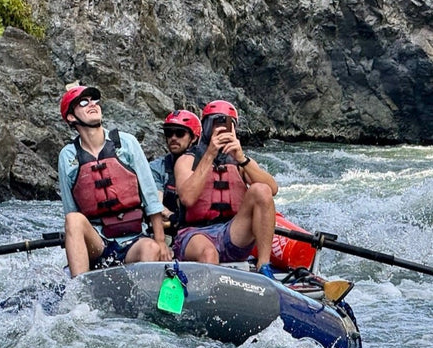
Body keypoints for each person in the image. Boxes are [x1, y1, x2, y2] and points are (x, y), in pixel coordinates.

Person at [57, 83, 172, 277]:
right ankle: (79, 292)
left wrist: (161, 242)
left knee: (151, 249)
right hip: (98, 243)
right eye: (83, 102)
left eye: (94, 100)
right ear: (71, 117)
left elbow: (150, 196)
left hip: (135, 238)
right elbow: (71, 210)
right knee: (73, 220)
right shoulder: (67, 156)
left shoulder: (126, 143)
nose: (92, 104)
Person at [173, 100, 279, 276]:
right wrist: (210, 154)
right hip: (195, 233)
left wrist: (241, 158)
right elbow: (187, 198)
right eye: (214, 123)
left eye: (226, 124)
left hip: (232, 231)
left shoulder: (241, 162)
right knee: (209, 253)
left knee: (261, 190)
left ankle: (264, 266)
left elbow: (272, 189)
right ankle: (211, 297)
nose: (219, 129)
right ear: (205, 127)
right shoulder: (187, 160)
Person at [149, 110, 202, 236]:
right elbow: (156, 203)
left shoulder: (204, 165)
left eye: (179, 133)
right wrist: (172, 216)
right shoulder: (157, 167)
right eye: (169, 133)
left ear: (193, 138)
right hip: (170, 229)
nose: (173, 138)